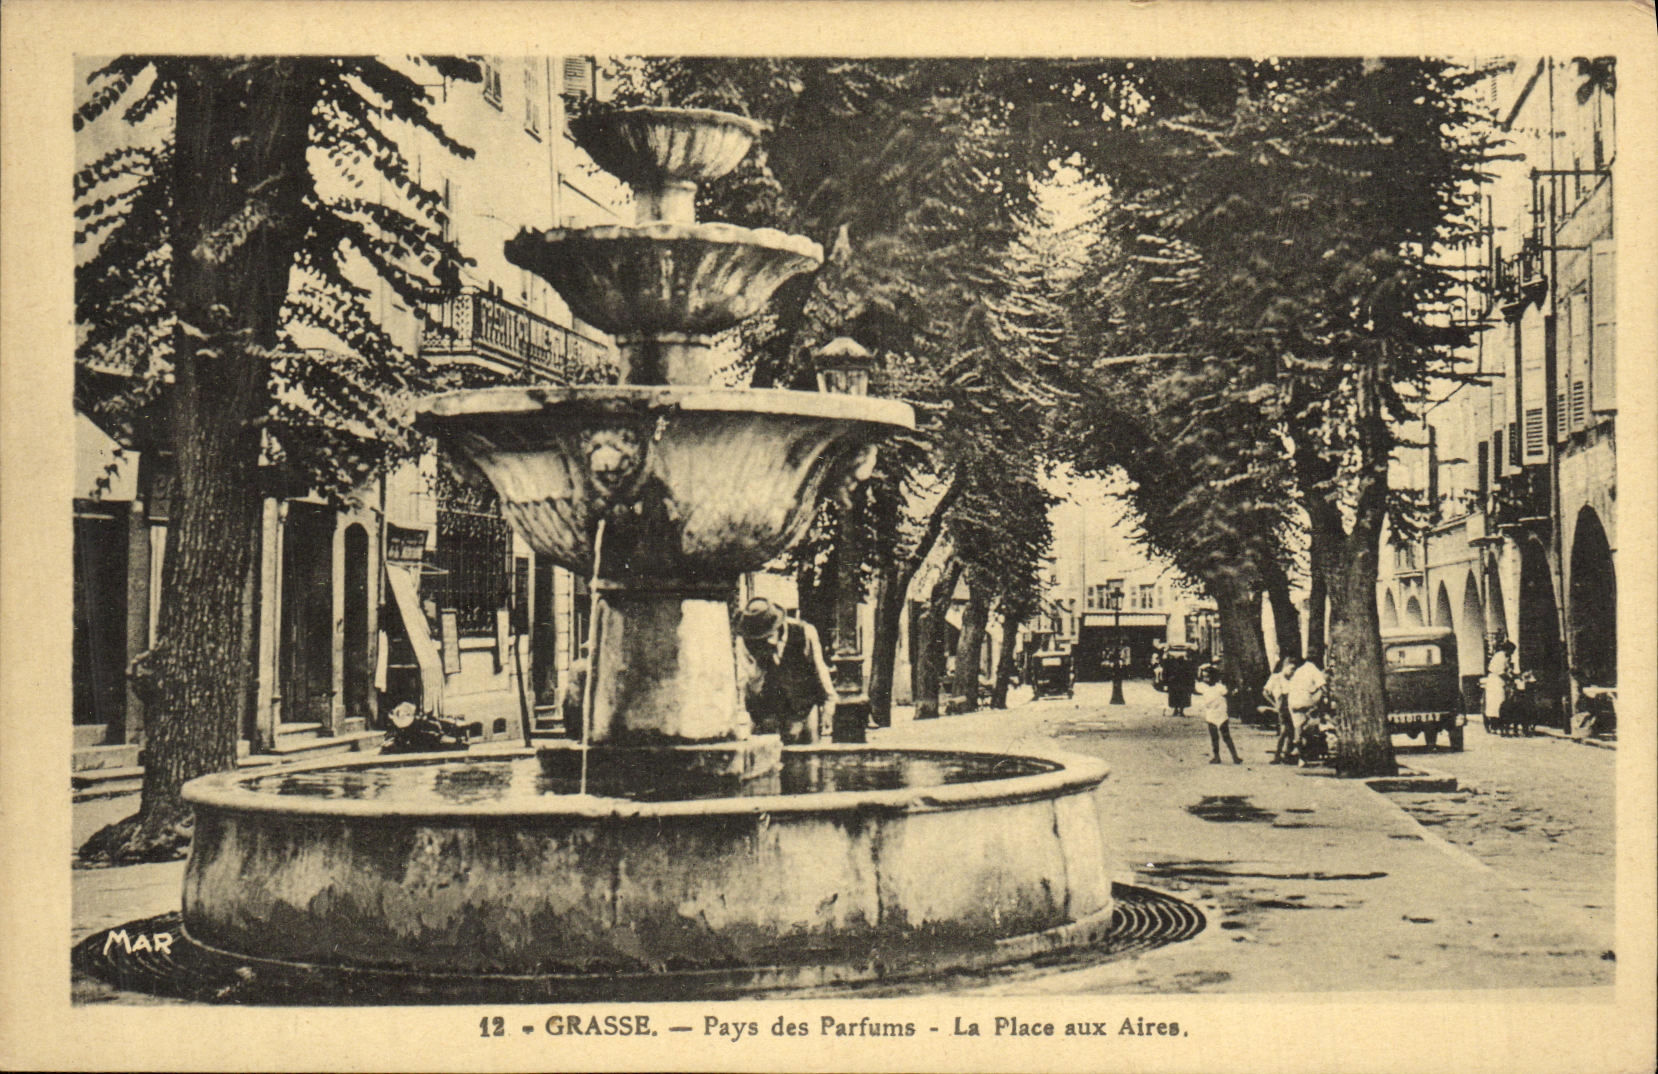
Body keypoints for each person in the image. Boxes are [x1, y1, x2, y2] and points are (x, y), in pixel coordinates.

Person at [734, 598, 837, 745]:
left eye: (768, 634)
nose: (765, 639)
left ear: (777, 625)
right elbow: (747, 681)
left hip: (802, 706)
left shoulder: (805, 632)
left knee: (807, 751)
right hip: (767, 709)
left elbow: (820, 669)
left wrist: (829, 705)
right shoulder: (745, 640)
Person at [1196, 664, 1242, 764]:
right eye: (1204, 677)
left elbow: (1228, 693)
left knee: (1226, 736)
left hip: (1221, 714)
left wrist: (1232, 692)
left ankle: (1235, 756)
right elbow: (1196, 685)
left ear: (1213, 677)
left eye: (1207, 677)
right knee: (1214, 737)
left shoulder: (1220, 687)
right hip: (1211, 714)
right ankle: (1216, 757)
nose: (1205, 679)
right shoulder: (1203, 687)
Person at [1286, 654, 1327, 767]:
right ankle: (1303, 753)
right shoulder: (1312, 669)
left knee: (1299, 728)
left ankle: (1300, 754)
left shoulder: (1298, 670)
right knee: (1308, 730)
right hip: (1306, 702)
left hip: (1294, 702)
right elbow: (1323, 686)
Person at [1263, 655, 1297, 764]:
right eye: (1291, 669)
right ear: (1285, 667)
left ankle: (1287, 754)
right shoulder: (1276, 678)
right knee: (1284, 731)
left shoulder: (1294, 679)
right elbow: (1265, 692)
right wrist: (1274, 704)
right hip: (1282, 706)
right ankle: (1278, 755)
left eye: (1294, 669)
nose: (1292, 672)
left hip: (1292, 705)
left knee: (1292, 731)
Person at [558, 646, 591, 740]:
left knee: (569, 711)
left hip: (569, 690)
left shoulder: (574, 663)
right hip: (578, 690)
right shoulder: (586, 664)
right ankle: (578, 735)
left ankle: (570, 733)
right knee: (578, 713)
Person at [1485, 639, 1515, 731]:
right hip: (1495, 681)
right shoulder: (1499, 656)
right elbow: (1501, 672)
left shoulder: (1505, 657)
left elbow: (1508, 669)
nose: (1512, 653)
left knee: (1502, 701)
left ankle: (1500, 722)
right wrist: (1510, 679)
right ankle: (1495, 723)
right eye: (1511, 651)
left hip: (1500, 681)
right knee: (1497, 702)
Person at [1162, 646, 1196, 718]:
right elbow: (1166, 671)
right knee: (1176, 695)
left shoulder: (1186, 663)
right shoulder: (1172, 663)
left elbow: (1190, 673)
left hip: (1180, 682)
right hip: (1176, 682)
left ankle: (1179, 710)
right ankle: (1177, 710)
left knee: (1180, 696)